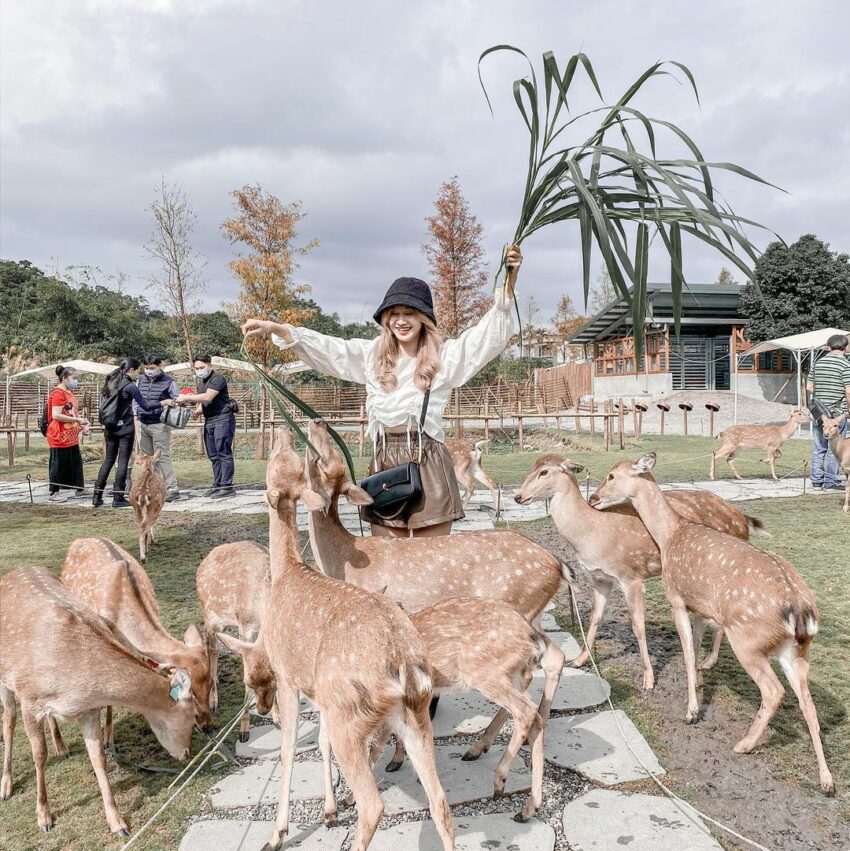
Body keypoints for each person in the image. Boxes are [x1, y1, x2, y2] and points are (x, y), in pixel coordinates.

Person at [242, 246, 523, 538]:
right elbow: (330, 350)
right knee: (388, 561)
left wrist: (507, 285)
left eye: (410, 313)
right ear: (386, 319)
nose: (401, 321)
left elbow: (483, 339)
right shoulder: (371, 356)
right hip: (384, 461)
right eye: (394, 314)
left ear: (423, 319)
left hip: (427, 460)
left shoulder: (444, 357)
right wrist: (279, 329)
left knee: (430, 564)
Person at [92, 358, 175, 508]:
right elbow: (146, 406)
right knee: (123, 461)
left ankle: (97, 496)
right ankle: (118, 497)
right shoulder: (130, 386)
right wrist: (163, 402)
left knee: (108, 460)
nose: (139, 373)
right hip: (125, 428)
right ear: (131, 370)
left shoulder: (110, 382)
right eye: (137, 371)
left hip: (109, 428)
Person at [177, 353, 237, 499]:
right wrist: (198, 410)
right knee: (213, 455)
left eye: (202, 367)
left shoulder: (218, 379)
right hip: (209, 420)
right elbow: (204, 402)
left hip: (222, 419)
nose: (199, 370)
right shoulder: (202, 382)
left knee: (223, 452)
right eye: (197, 368)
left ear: (210, 365)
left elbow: (207, 397)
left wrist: (186, 397)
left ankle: (227, 486)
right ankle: (217, 485)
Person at [134, 354, 182, 502]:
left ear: (159, 366)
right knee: (147, 458)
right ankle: (153, 485)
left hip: (160, 423)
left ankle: (172, 488)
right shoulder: (140, 380)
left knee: (162, 456)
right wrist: (135, 414)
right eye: (146, 368)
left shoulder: (168, 381)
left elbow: (177, 399)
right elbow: (136, 399)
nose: (149, 370)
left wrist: (170, 403)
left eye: (152, 368)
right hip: (143, 422)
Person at [806, 333, 850, 491]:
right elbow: (848, 391)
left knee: (819, 447)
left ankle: (816, 481)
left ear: (828, 347)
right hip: (838, 413)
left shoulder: (817, 363)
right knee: (836, 447)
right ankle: (831, 481)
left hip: (820, 413)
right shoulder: (845, 365)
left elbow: (809, 387)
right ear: (845, 348)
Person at [46, 365, 90, 502]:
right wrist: (77, 419)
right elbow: (56, 415)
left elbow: (72, 412)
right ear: (64, 378)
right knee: (58, 463)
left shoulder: (69, 393)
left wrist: (82, 425)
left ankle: (79, 488)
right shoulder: (58, 393)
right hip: (59, 434)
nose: (76, 381)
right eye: (74, 378)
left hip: (71, 434)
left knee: (75, 462)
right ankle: (54, 492)